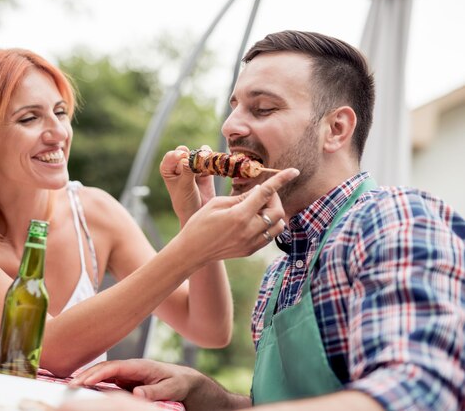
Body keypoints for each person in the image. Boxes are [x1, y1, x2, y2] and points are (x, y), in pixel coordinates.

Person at [61, 30, 465, 410]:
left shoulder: (392, 220)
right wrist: (209, 395)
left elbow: (417, 392)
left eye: (263, 108)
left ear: (336, 129)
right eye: (235, 107)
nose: (230, 126)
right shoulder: (281, 273)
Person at [0, 48, 300, 377]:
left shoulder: (96, 213)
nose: (58, 132)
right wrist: (187, 250)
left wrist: (192, 219)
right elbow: (43, 349)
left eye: (60, 113)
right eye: (29, 118)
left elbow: (208, 329)